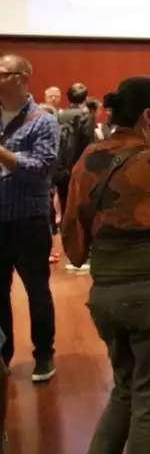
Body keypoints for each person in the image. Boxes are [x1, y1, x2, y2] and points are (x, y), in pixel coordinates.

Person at [61, 77, 150, 454]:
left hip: (104, 293)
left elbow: (71, 234)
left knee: (125, 391)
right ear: (148, 116)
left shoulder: (90, 157)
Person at [0, 52, 59, 382]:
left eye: (2, 73)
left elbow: (40, 169)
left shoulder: (43, 120)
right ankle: (3, 356)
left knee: (37, 291)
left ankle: (44, 355)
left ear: (21, 78)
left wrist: (4, 155)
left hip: (28, 220)